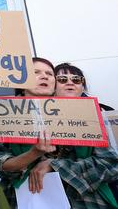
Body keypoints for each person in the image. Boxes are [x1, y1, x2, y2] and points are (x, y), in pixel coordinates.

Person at [24, 62, 118, 208]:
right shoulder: (29, 116)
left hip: (89, 201)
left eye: (76, 80)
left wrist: (56, 166)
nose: (70, 83)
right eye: (62, 79)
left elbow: (111, 164)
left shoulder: (95, 114)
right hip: (41, 197)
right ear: (52, 85)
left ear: (82, 87)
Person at [0, 57, 58, 207]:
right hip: (21, 199)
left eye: (49, 73)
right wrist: (34, 153)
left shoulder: (77, 113)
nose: (44, 76)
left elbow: (109, 162)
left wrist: (55, 164)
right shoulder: (3, 114)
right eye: (36, 72)